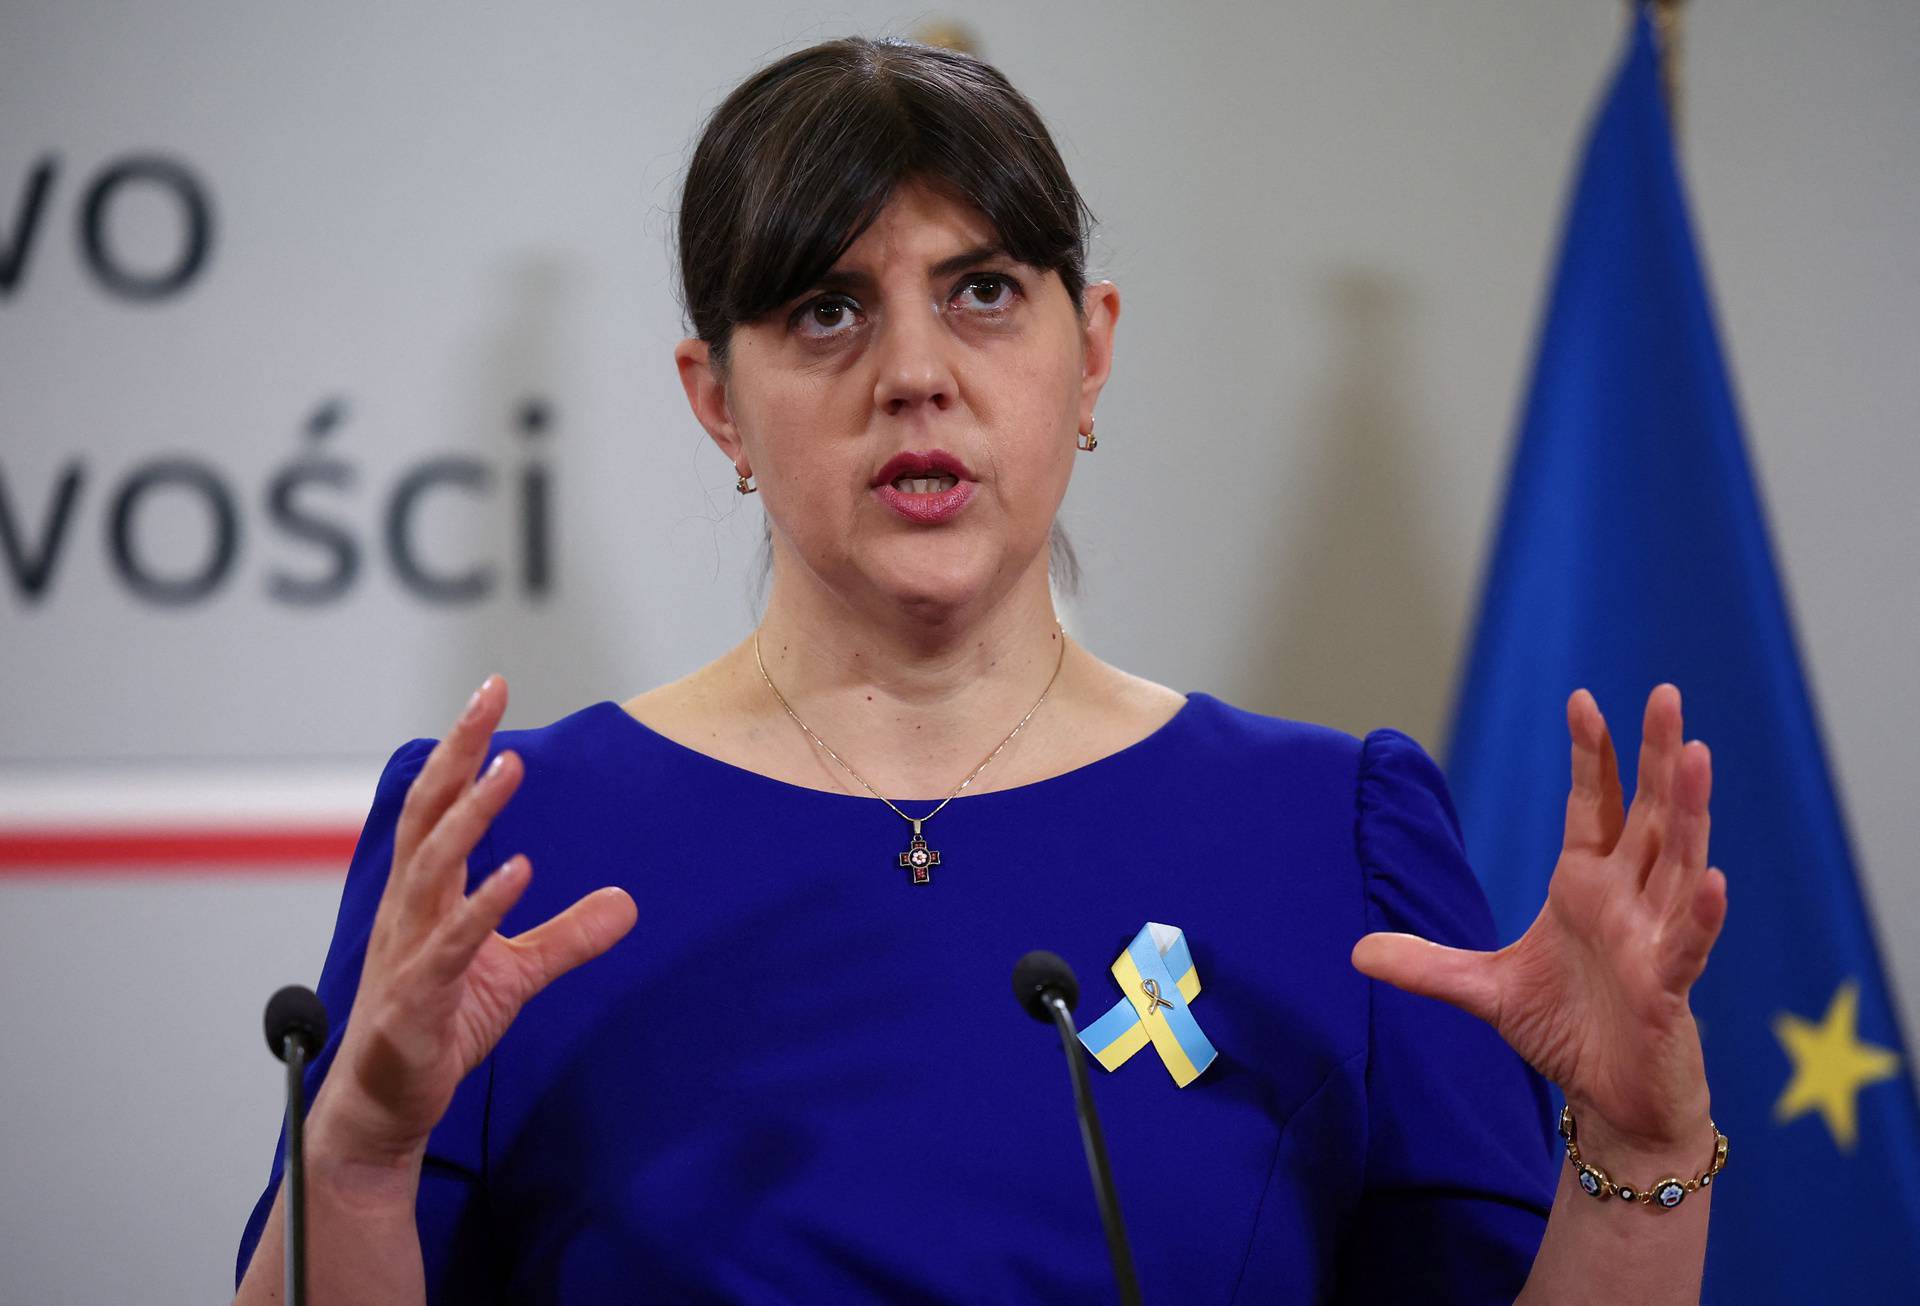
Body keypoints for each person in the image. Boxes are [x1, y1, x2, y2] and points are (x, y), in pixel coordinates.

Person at [233, 36, 1728, 1304]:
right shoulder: (505, 840)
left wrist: (1643, 1155)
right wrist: (355, 1164)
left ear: (1093, 356)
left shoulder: (1333, 834)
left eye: (986, 291)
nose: (915, 371)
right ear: (716, 403)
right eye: (827, 309)